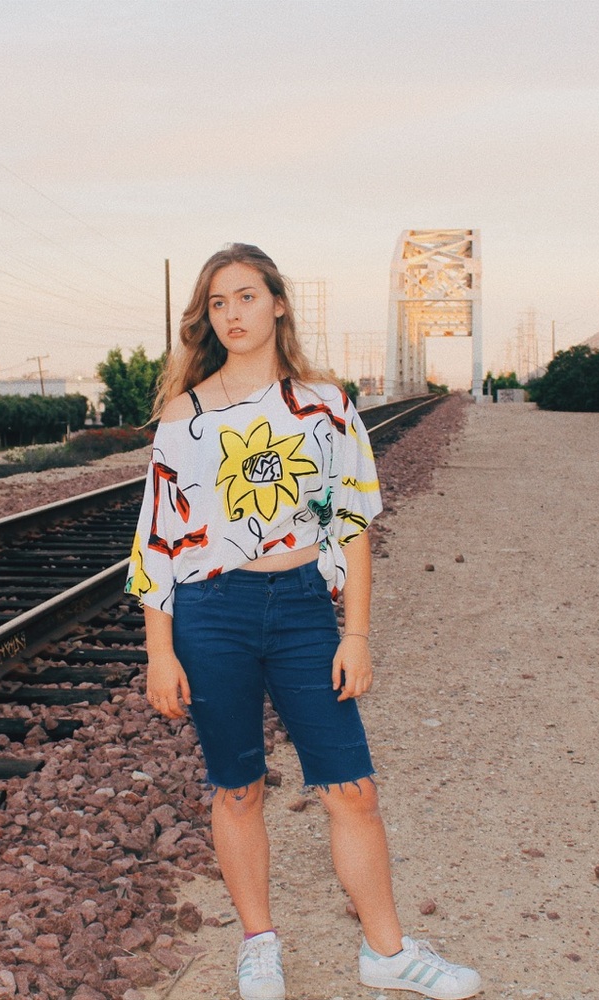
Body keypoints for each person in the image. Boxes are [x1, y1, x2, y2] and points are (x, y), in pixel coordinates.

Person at [125, 243, 481, 1000]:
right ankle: (259, 945)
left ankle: (386, 951)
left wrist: (356, 632)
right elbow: (157, 542)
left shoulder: (323, 403)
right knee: (237, 787)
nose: (232, 316)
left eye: (246, 298)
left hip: (300, 612)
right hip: (211, 612)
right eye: (218, 304)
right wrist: (161, 648)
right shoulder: (183, 417)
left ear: (278, 303)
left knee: (350, 787)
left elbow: (348, 524)